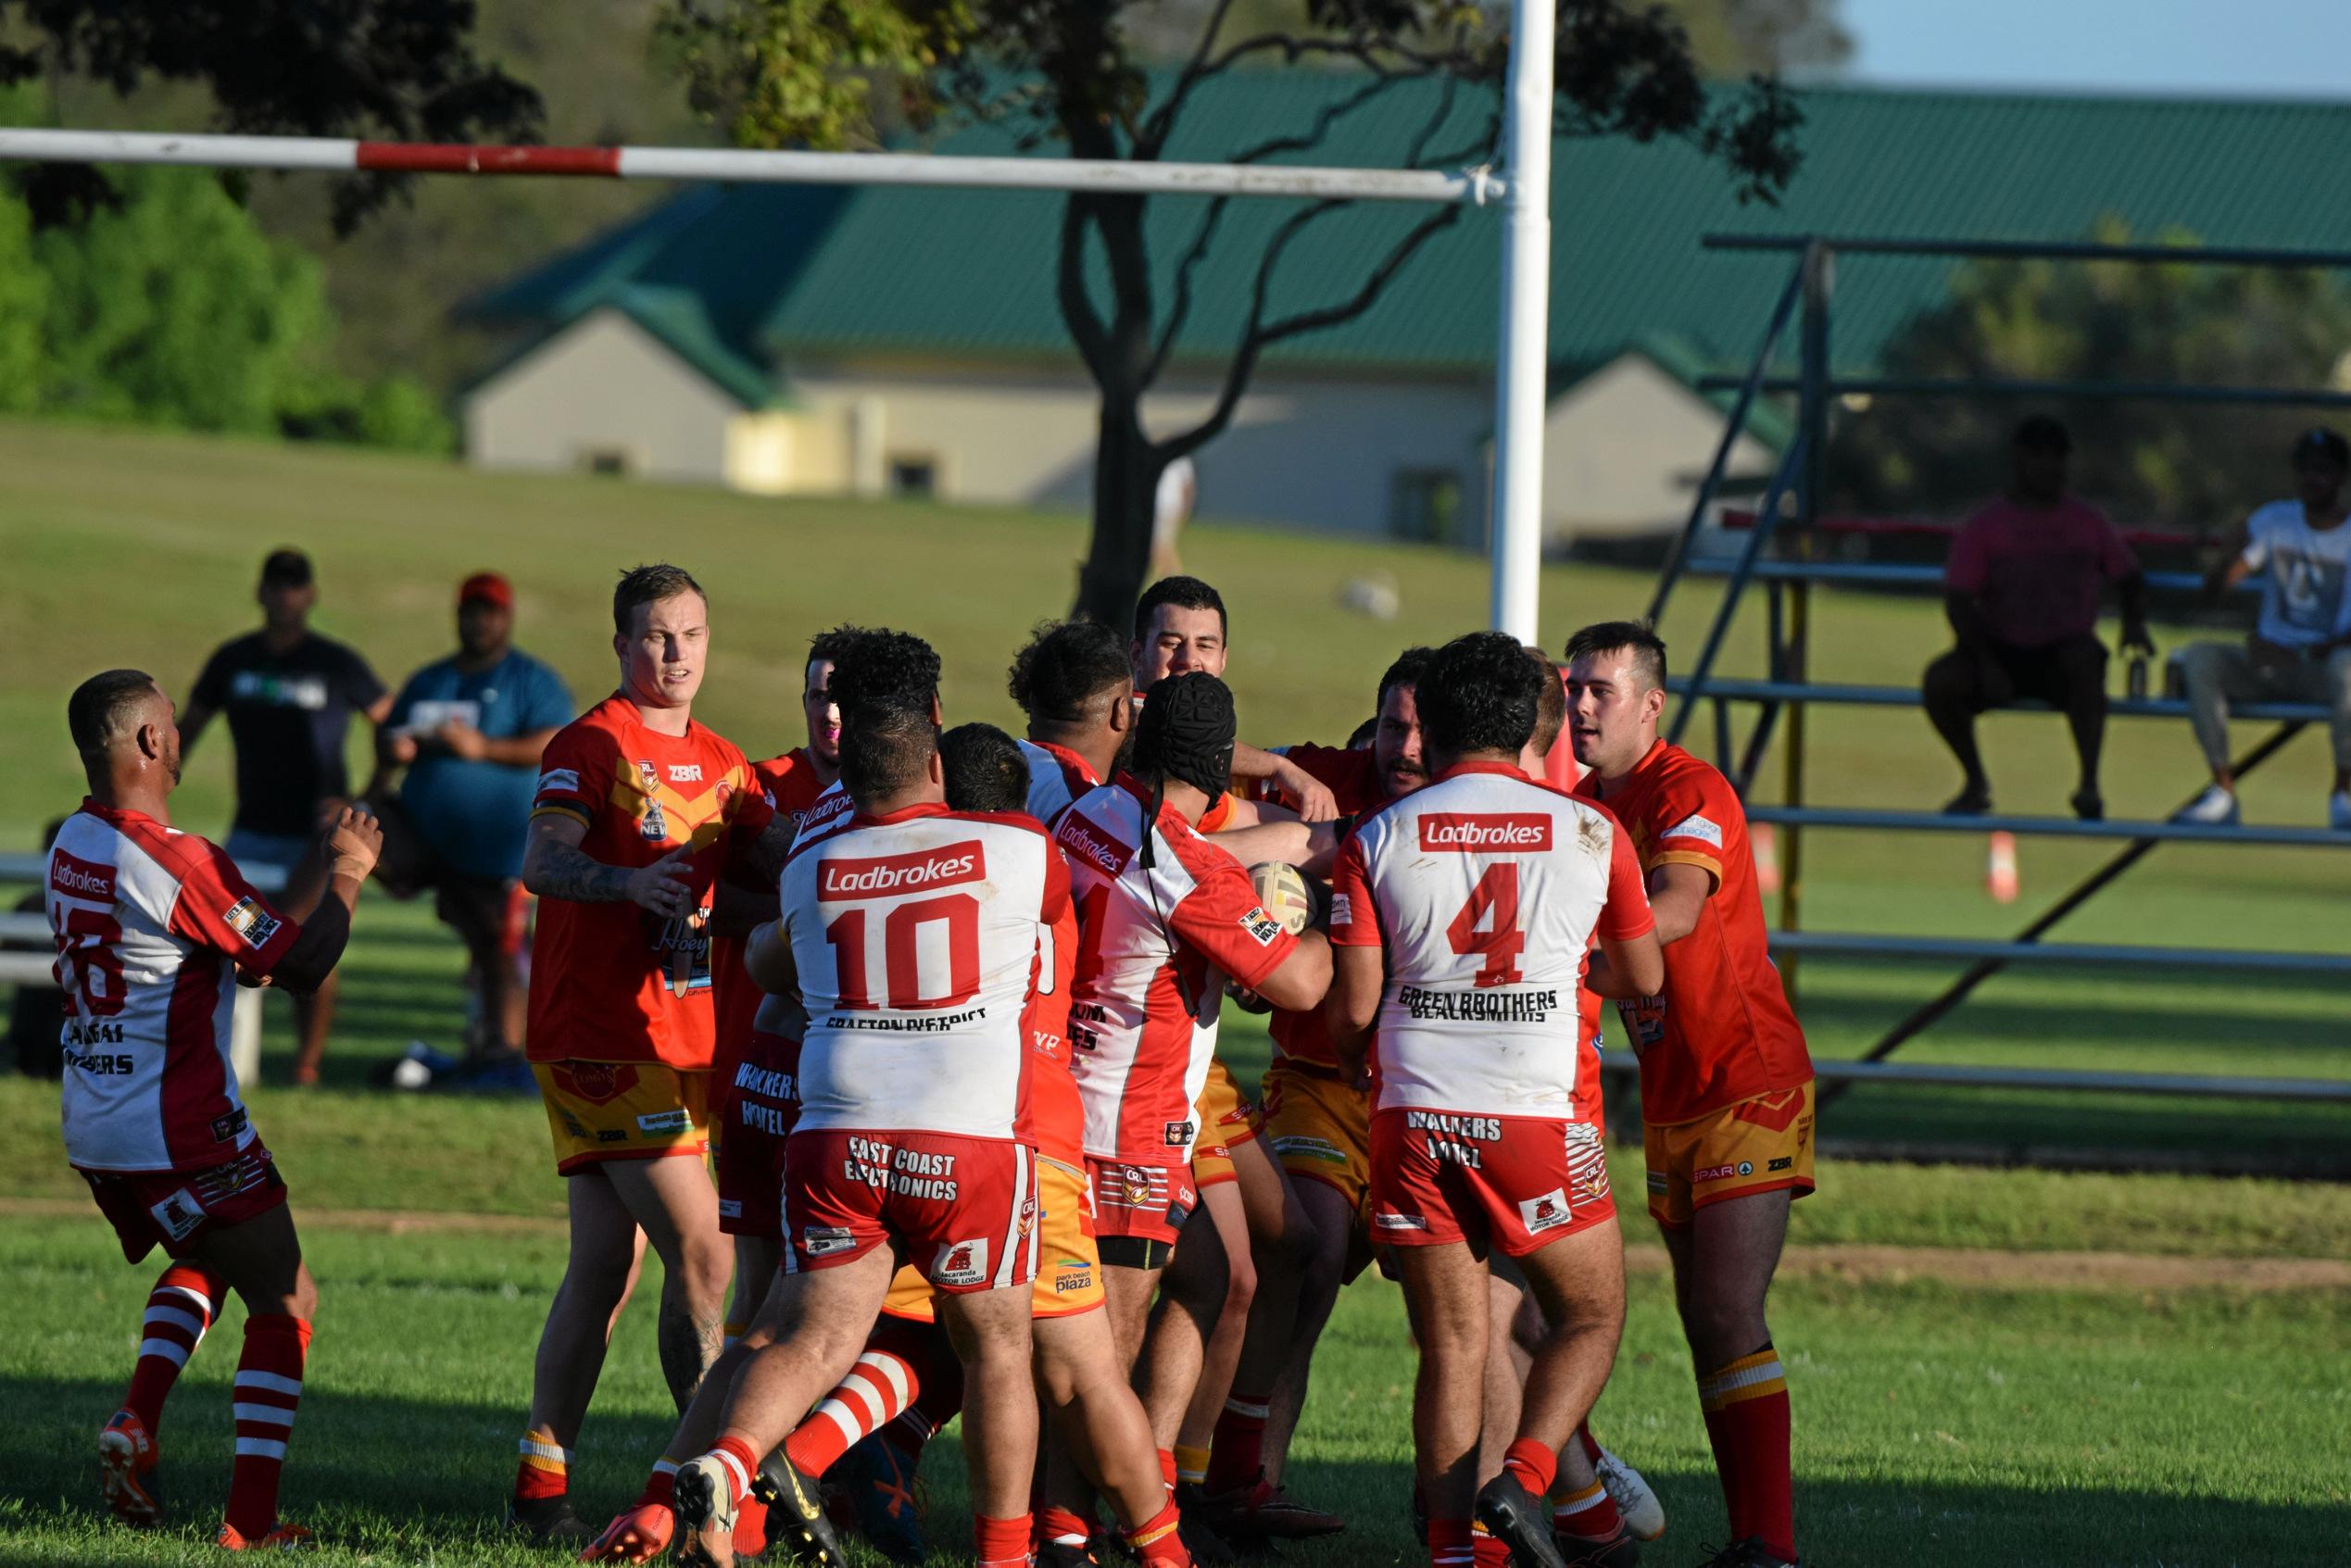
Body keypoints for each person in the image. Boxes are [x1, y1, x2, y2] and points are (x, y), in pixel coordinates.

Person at [670, 651, 1068, 1568]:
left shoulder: (813, 863)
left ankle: (727, 1469)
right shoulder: (1019, 850)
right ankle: (1005, 1557)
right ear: (936, 754)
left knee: (810, 1335)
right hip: (966, 1140)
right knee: (996, 1350)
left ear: (845, 764)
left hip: (837, 1133)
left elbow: (778, 964)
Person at [1327, 631, 1661, 1568]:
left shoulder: (1377, 836)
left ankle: (1449, 1553)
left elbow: (1354, 1009)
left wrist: (1372, 1040)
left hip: (1413, 1118)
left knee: (1452, 1345)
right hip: (1535, 1114)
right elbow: (1641, 972)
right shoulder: (1592, 831)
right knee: (1591, 1314)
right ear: (1529, 728)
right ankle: (1524, 1474)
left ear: (1428, 724)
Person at [53, 669, 381, 1549]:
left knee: (206, 1251)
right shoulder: (178, 858)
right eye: (171, 722)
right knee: (286, 1296)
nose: (181, 734)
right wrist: (347, 871)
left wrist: (249, 952)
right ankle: (251, 1522)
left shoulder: (73, 840)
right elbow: (303, 964)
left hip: (98, 1119)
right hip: (182, 1126)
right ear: (152, 742)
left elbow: (221, 950)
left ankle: (138, 1419)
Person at [507, 564, 795, 1541]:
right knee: (705, 1256)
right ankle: (704, 1490)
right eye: (656, 636)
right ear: (622, 643)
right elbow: (543, 861)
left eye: (693, 634)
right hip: (601, 1036)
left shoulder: (725, 760)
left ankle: (540, 1485)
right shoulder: (590, 743)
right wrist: (630, 886)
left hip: (680, 1045)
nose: (677, 654)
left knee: (603, 1268)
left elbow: (763, 878)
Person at [1051, 674, 1332, 1549]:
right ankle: (1078, 1525)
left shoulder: (1085, 817)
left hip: (1060, 1108)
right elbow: (1299, 981)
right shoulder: (1188, 868)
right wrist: (1323, 912)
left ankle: (1149, 1482)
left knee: (1205, 1277)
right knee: (1102, 1349)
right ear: (1219, 774)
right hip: (1128, 1132)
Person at [1566, 621, 1817, 1568]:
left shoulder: (1688, 789)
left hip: (1745, 1079)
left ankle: (1772, 1545)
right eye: (1574, 689)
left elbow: (1676, 904)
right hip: (1672, 1092)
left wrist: (1576, 960)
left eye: (1602, 690)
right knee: (1702, 1316)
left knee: (1724, 1307)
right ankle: (1752, 1536)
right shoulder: (1585, 802)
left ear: (1649, 704)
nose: (1583, 707)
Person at [182, 548, 393, 1084]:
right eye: (275, 584)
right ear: (260, 592)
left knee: (314, 936)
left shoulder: (335, 662)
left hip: (315, 836)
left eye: (294, 585)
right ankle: (221, 1057)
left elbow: (393, 729)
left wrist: (362, 796)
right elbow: (185, 732)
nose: (284, 595)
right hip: (252, 826)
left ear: (311, 595)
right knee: (230, 938)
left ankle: (306, 1065)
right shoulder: (234, 660)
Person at [368, 571, 572, 1080]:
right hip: (423, 835)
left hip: (493, 852)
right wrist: (394, 750)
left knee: (496, 948)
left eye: (490, 612)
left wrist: (484, 749)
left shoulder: (530, 680)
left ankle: (504, 1057)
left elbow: (555, 742)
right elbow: (387, 738)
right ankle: (288, 951)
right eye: (471, 611)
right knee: (340, 825)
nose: (480, 622)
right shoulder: (430, 679)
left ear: (507, 618)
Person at [1921, 417, 2150, 821]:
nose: (2049, 466)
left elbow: (2128, 577)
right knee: (1940, 682)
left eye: (2057, 456)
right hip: (2001, 648)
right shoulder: (1985, 526)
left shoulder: (2087, 522)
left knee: (2088, 663)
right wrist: (1984, 661)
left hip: (2064, 649)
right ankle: (1975, 781)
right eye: (2038, 455)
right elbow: (1959, 600)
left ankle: (2089, 784)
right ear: (2018, 459)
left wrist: (2134, 623)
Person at [2176, 426, 2351, 829]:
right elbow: (2219, 588)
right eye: (2305, 470)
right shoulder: (2277, 519)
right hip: (2270, 662)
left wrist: (2304, 653)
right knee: (2201, 657)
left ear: (2341, 478)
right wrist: (2226, 555)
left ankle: (2342, 793)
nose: (2312, 479)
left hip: (2324, 669)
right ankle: (2222, 791)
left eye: (2323, 470)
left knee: (2347, 667)